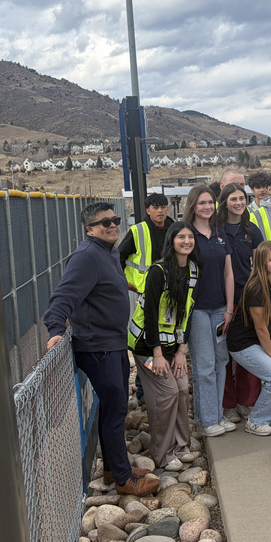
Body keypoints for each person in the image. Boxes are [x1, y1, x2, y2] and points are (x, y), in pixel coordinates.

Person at [43, 202, 159, 496]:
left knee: (114, 408)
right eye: (104, 222)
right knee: (115, 409)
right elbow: (62, 298)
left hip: (113, 344)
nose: (112, 225)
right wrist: (56, 331)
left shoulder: (108, 252)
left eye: (115, 219)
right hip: (98, 347)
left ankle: (114, 468)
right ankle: (123, 479)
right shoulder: (86, 256)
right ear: (90, 229)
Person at [128, 222, 200, 471]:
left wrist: (181, 351)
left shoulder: (192, 270)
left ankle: (181, 446)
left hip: (171, 348)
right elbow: (149, 314)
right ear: (172, 240)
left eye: (191, 237)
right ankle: (163, 453)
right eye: (181, 236)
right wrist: (157, 354)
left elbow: (187, 314)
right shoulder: (158, 271)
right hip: (147, 348)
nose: (187, 241)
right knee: (167, 393)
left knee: (181, 389)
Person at [226, 242, 271, 436]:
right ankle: (256, 420)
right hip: (243, 343)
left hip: (261, 340)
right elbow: (260, 328)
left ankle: (270, 417)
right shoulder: (256, 288)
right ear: (262, 263)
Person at [182, 185, 236, 437]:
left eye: (210, 202)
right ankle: (205, 421)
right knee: (204, 365)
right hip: (197, 310)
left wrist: (229, 308)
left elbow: (228, 273)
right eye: (202, 202)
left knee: (221, 361)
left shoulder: (220, 234)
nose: (206, 207)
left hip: (219, 309)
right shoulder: (186, 235)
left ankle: (216, 414)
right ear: (193, 205)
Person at [216, 182, 265, 423]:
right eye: (233, 199)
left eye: (241, 199)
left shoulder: (252, 230)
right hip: (220, 298)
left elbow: (260, 267)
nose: (238, 203)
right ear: (224, 202)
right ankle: (227, 405)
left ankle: (247, 402)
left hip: (246, 297)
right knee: (223, 353)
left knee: (247, 351)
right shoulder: (215, 229)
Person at [117, 192, 173, 293]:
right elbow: (119, 256)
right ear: (148, 211)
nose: (160, 211)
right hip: (145, 288)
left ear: (167, 209)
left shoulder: (175, 230)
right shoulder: (137, 231)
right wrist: (123, 280)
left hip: (172, 286)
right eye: (155, 207)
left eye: (163, 207)